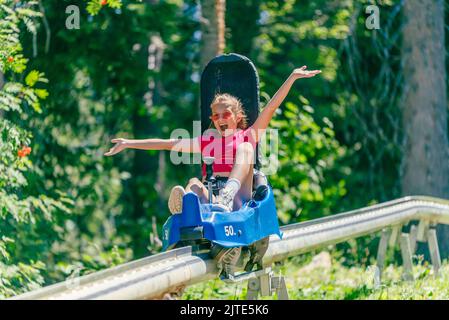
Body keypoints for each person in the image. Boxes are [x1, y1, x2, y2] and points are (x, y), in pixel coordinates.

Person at [104, 66, 321, 214]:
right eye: (215, 116)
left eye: (225, 114)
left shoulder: (248, 135)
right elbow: (168, 143)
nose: (219, 119)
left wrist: (291, 78)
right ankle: (187, 209)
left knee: (246, 149)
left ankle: (226, 195)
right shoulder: (209, 141)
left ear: (237, 117)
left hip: (239, 198)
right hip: (215, 199)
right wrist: (129, 143)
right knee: (194, 184)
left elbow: (271, 107)